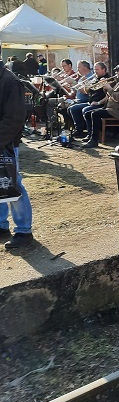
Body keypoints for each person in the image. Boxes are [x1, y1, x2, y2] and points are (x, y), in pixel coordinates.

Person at [0, 40, 34, 250]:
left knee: (13, 184)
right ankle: (1, 225)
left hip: (6, 143)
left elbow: (13, 119)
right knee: (0, 184)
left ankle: (23, 230)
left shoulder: (10, 81)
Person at [81, 63, 119, 149]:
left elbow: (118, 98)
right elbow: (111, 96)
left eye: (117, 71)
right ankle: (91, 136)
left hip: (117, 111)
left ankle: (94, 140)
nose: (116, 73)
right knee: (88, 113)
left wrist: (109, 88)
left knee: (95, 114)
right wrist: (105, 88)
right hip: (110, 108)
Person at [69, 62, 109, 137]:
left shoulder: (107, 79)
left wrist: (98, 103)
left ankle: (90, 133)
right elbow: (86, 91)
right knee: (73, 108)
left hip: (101, 103)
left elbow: (108, 95)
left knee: (86, 110)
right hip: (91, 102)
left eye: (97, 69)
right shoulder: (95, 79)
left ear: (103, 69)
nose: (95, 71)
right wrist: (85, 83)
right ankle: (79, 130)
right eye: (94, 69)